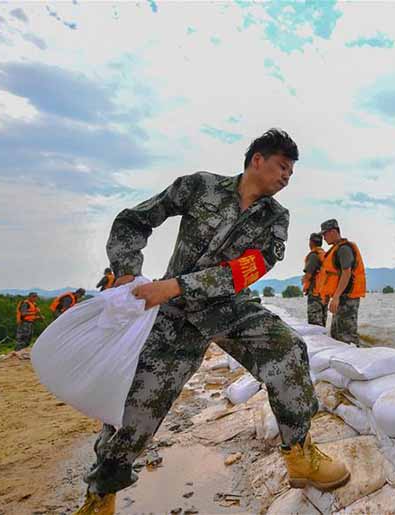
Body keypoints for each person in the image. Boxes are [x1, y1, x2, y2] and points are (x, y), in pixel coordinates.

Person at [76, 129, 349, 515]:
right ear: (257, 159)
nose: (287, 177)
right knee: (135, 407)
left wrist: (173, 286)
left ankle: (300, 454)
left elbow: (247, 269)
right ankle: (100, 495)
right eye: (282, 167)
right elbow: (133, 220)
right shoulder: (199, 186)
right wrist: (126, 271)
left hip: (227, 306)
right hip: (173, 317)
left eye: (291, 172)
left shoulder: (276, 218)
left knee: (288, 349)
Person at [316, 219, 366, 346]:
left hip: (347, 298)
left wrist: (336, 297)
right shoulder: (337, 249)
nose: (324, 238)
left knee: (347, 336)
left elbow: (346, 273)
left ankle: (357, 358)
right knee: (337, 334)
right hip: (342, 297)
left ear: (333, 231)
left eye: (325, 234)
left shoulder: (344, 249)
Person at [302, 232, 327, 326]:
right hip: (324, 294)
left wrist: (304, 280)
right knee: (322, 322)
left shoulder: (313, 255)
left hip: (315, 293)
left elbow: (309, 274)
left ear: (311, 242)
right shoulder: (325, 255)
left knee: (314, 324)